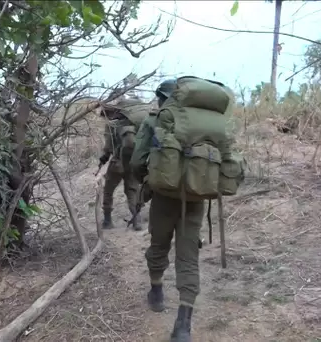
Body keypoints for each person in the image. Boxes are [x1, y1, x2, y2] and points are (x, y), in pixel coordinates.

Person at [130, 77, 241, 342]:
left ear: (164, 98)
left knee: (158, 244)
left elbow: (137, 160)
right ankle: (183, 324)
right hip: (196, 196)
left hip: (164, 196)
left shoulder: (156, 119)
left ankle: (156, 291)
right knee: (188, 256)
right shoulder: (212, 122)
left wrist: (147, 179)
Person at [98, 96, 149, 231]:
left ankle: (107, 221)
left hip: (117, 163)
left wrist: (103, 158)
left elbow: (108, 147)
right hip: (133, 162)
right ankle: (137, 221)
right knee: (132, 191)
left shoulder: (112, 124)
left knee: (108, 190)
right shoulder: (135, 124)